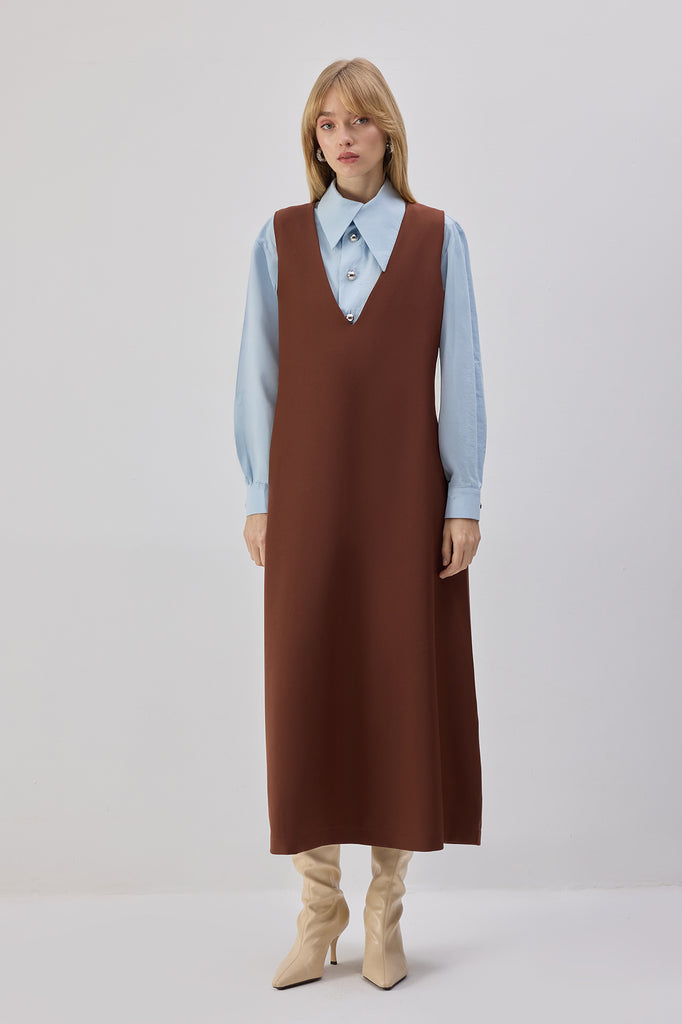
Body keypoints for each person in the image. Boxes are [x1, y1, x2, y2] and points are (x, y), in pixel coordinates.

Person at [234, 57, 487, 990]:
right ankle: (318, 909)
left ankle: (385, 911)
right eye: (326, 124)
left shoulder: (436, 238)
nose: (342, 138)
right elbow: (258, 375)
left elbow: (462, 374)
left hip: (403, 500)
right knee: (305, 684)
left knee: (396, 685)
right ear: (315, 139)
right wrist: (260, 494)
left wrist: (463, 499)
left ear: (388, 132)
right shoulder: (279, 240)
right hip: (305, 498)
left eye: (359, 121)